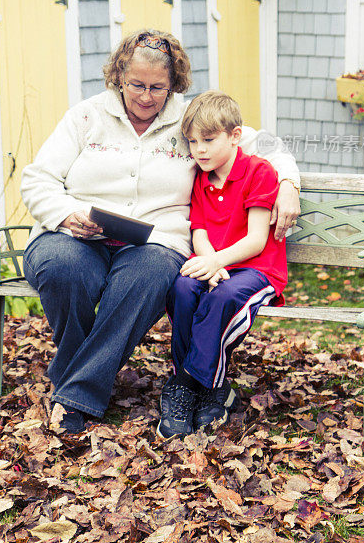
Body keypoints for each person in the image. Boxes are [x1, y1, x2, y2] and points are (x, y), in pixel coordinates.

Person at [21, 30, 300, 434]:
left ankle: (74, 393)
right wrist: (65, 215)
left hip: (154, 242)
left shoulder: (189, 120)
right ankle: (80, 377)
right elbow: (37, 179)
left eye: (158, 87)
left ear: (174, 84)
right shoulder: (85, 117)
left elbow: (270, 145)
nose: (147, 96)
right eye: (137, 84)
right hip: (75, 234)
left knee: (149, 276)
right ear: (118, 76)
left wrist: (288, 184)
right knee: (64, 269)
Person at [158, 90, 288, 440]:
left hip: (257, 269)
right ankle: (212, 389)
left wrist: (217, 261)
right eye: (192, 141)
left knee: (222, 298)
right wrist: (208, 263)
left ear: (235, 136)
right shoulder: (201, 177)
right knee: (184, 287)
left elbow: (257, 239)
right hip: (216, 263)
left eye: (208, 140)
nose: (199, 149)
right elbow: (199, 231)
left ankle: (187, 384)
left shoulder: (259, 172)